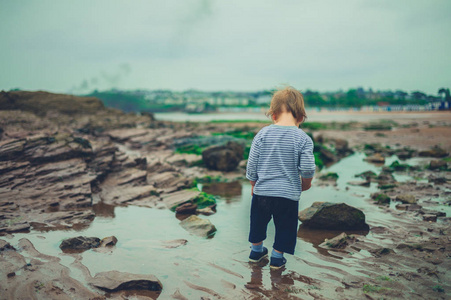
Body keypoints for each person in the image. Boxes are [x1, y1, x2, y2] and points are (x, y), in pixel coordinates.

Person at [246, 86, 316, 269]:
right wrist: (306, 184)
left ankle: (256, 252)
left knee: (258, 223)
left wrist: (254, 184)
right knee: (285, 227)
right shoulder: (303, 139)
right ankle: (277, 258)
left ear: (273, 115)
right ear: (301, 117)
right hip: (287, 195)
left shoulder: (262, 134)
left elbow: (252, 164)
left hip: (262, 193)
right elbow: (308, 168)